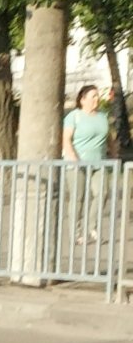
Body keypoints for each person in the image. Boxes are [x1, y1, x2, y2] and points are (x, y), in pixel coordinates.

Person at [62, 84, 110, 243]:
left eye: (97, 96)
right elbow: (66, 139)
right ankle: (75, 233)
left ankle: (91, 227)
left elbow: (107, 137)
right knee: (78, 197)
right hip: (77, 162)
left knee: (102, 192)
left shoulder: (102, 116)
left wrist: (114, 151)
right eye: (93, 96)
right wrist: (73, 157)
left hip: (99, 162)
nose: (97, 99)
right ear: (82, 100)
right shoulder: (74, 116)